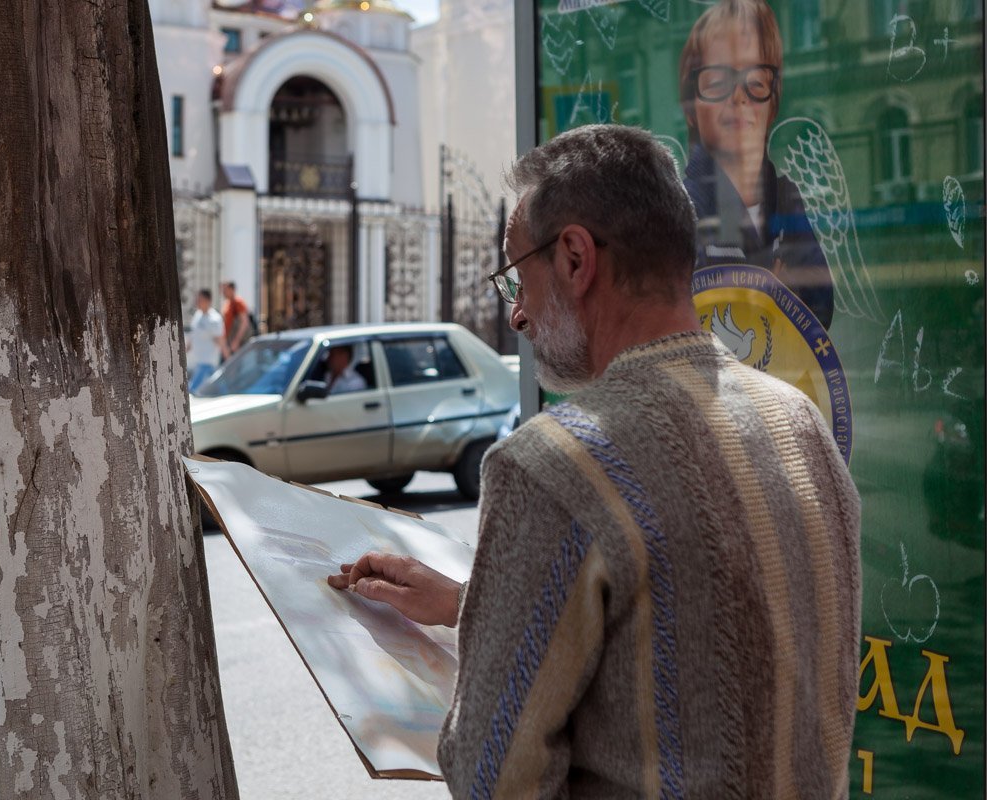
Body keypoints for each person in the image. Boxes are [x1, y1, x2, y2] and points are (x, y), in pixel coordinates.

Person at [328, 124, 861, 798]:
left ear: (576, 259)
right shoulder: (800, 425)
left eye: (517, 277)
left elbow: (496, 779)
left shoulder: (552, 465)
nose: (516, 314)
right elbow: (695, 628)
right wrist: (470, 607)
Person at [679, 0, 834, 328]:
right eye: (717, 82)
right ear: (691, 107)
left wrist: (753, 293)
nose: (739, 97)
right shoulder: (681, 208)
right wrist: (771, 290)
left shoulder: (785, 198)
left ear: (772, 106)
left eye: (756, 83)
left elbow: (820, 308)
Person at [185, 289, 225, 393]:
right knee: (213, 392)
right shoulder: (197, 315)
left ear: (208, 300)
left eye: (200, 299)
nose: (197, 302)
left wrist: (228, 358)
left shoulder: (214, 319)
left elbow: (220, 340)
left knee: (192, 390)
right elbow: (193, 335)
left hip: (208, 363)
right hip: (198, 362)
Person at [220, 281, 252, 357]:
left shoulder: (238, 302)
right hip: (229, 341)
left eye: (225, 289)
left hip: (236, 343)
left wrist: (236, 341)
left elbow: (244, 323)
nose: (223, 292)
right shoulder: (227, 303)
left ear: (232, 289)